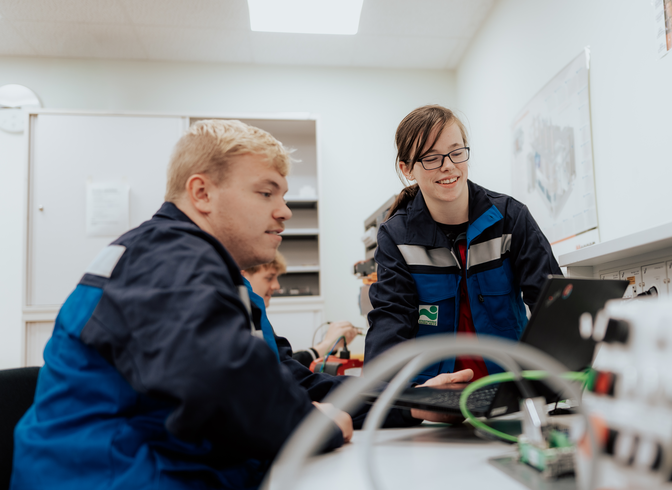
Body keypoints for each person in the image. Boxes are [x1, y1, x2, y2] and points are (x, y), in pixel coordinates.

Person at [11, 119, 468, 490]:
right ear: (202, 193)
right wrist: (319, 426)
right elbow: (226, 386)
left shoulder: (219, 280)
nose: (284, 211)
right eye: (266, 193)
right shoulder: (166, 257)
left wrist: (410, 404)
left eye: (284, 196)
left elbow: (291, 384)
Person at [365, 105, 563, 384]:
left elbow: (553, 308)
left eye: (456, 152)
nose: (448, 165)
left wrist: (551, 381)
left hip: (509, 390)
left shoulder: (510, 218)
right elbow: (389, 326)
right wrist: (404, 399)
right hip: (435, 397)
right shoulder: (396, 236)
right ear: (407, 169)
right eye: (431, 158)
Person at [241, 251, 359, 368]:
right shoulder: (241, 321)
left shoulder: (256, 318)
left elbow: (284, 361)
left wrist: (329, 346)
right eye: (269, 278)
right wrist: (326, 345)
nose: (277, 286)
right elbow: (282, 369)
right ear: (243, 274)